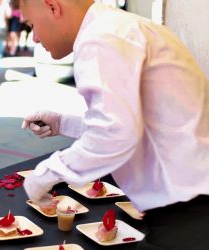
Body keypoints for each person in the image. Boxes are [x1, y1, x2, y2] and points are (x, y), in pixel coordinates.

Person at [20, 0, 209, 249]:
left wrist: (44, 175)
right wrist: (63, 123)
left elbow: (114, 133)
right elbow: (134, 122)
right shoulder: (121, 26)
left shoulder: (100, 36)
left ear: (53, 7)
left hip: (190, 211)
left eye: (32, 24)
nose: (34, 38)